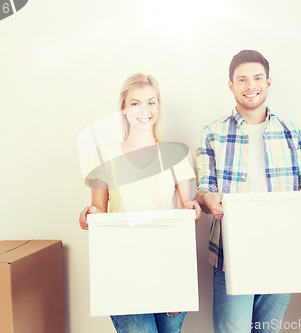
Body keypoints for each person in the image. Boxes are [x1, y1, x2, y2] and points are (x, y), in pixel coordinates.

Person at [196, 50, 301, 333]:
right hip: (231, 254)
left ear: (268, 82)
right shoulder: (212, 133)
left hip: (281, 251)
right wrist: (207, 199)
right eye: (242, 79)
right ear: (231, 85)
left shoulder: (292, 132)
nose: (250, 85)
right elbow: (204, 192)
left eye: (257, 78)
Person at [78, 73, 201, 333]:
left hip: (168, 266)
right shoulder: (104, 156)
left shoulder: (176, 155)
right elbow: (98, 209)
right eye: (135, 103)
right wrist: (90, 213)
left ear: (158, 107)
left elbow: (185, 207)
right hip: (122, 269)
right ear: (123, 108)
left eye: (151, 102)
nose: (144, 110)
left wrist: (192, 207)